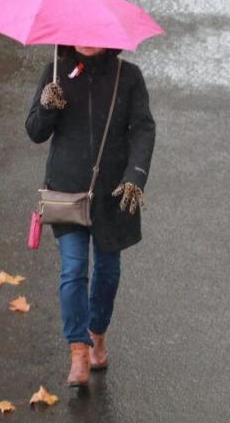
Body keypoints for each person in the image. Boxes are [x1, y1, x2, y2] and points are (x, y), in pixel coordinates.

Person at [26, 46, 155, 387]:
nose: (87, 41)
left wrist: (135, 176)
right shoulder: (55, 73)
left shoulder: (128, 76)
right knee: (73, 268)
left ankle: (97, 333)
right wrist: (46, 107)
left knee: (108, 269)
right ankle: (78, 351)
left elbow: (143, 129)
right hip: (67, 190)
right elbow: (35, 131)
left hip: (114, 193)